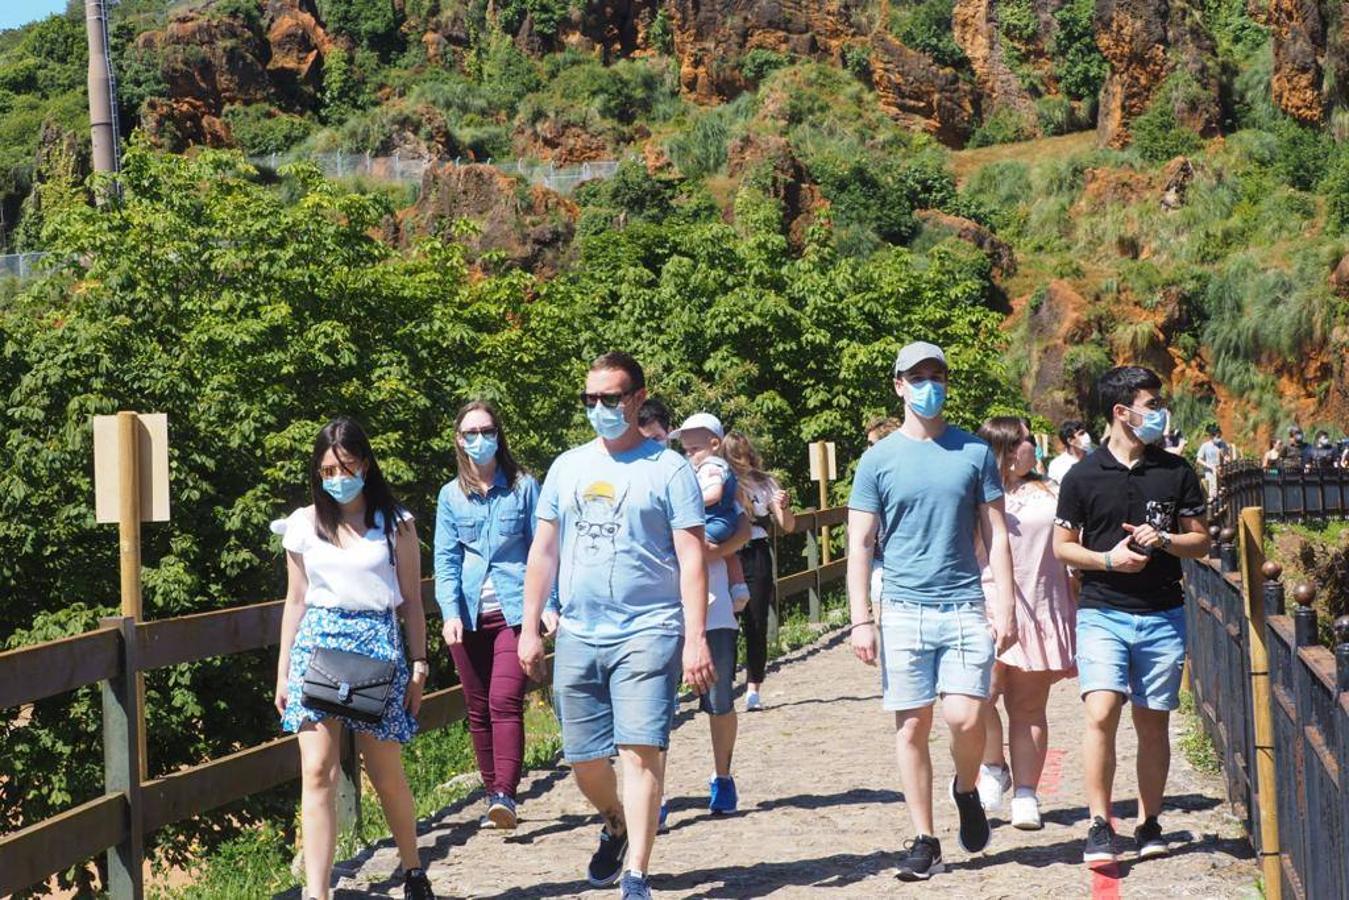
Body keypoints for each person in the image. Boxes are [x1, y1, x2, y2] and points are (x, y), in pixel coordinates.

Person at [518, 352, 714, 900]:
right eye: (590, 400)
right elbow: (544, 551)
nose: (599, 408)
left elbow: (692, 557)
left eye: (609, 398)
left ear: (635, 398)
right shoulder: (567, 467)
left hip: (650, 629)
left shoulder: (668, 468)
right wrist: (530, 626)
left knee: (639, 750)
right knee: (583, 759)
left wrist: (695, 636)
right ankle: (616, 823)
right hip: (579, 631)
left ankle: (637, 875)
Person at [846, 341, 1018, 882]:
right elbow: (860, 543)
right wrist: (861, 618)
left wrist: (1006, 604)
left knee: (965, 716)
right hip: (901, 608)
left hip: (964, 602)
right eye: (917, 376)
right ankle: (924, 839)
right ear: (898, 385)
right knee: (911, 727)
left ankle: (966, 789)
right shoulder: (876, 461)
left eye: (937, 374)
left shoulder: (973, 453)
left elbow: (996, 533)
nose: (928, 385)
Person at [1053, 365, 1210, 864]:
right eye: (1151, 403)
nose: (1159, 412)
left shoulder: (1175, 471)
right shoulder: (1082, 476)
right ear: (1122, 412)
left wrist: (1163, 539)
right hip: (1102, 611)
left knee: (1152, 722)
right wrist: (1106, 560)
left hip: (1163, 613)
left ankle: (1149, 822)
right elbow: (1062, 547)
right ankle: (1099, 824)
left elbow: (1201, 541)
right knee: (1101, 711)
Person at [274, 417, 435, 900]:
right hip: (317, 646)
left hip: (376, 647)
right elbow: (295, 600)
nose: (336, 477)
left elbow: (410, 600)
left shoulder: (396, 524)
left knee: (384, 773)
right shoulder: (303, 524)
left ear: (364, 464)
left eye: (344, 466)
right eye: (326, 470)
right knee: (317, 770)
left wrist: (420, 664)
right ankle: (317, 891)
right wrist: (283, 670)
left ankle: (413, 870)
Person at [434, 401, 558, 831]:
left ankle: (505, 792)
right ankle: (493, 795)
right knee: (478, 708)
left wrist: (549, 607)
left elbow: (543, 551)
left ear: (498, 435)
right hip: (469, 617)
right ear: (459, 440)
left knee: (505, 700)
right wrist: (449, 611)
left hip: (514, 612)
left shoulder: (524, 487)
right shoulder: (450, 496)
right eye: (470, 433)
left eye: (486, 431)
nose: (479, 440)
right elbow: (446, 561)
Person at [974, 417, 1077, 830]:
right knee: (977, 695)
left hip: (1040, 604)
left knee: (1028, 706)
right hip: (984, 604)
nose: (1031, 445)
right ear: (1002, 448)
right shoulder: (975, 492)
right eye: (1022, 440)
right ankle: (993, 764)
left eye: (1031, 438)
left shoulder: (1050, 491)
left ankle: (1026, 794)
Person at [722, 430, 795, 711]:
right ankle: (724, 684)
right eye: (737, 454)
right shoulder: (722, 480)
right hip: (730, 554)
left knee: (756, 621)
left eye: (746, 452)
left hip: (757, 553)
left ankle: (754, 687)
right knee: (727, 621)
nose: (744, 458)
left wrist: (782, 506)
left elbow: (787, 526)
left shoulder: (767, 483)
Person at [670, 413, 752, 613]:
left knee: (691, 551)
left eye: (694, 449)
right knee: (727, 554)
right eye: (686, 450)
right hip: (722, 521)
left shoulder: (711, 467)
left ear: (714, 444)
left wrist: (687, 503)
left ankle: (699, 590)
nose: (689, 455)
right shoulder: (710, 466)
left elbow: (714, 493)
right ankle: (739, 587)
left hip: (714, 520)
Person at [1047, 419, 1091, 484]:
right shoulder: (1056, 466)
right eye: (1081, 434)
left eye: (1085, 432)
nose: (1086, 436)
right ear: (1070, 441)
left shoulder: (1097, 456)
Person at [1195, 424, 1228, 496]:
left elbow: (1226, 455)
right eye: (1217, 437)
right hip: (1210, 472)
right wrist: (1210, 466)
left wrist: (1226, 459)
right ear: (1212, 436)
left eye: (1220, 436)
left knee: (1223, 491)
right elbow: (1198, 459)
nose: (1219, 439)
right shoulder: (1205, 446)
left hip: (1221, 471)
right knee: (1213, 492)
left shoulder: (1223, 444)